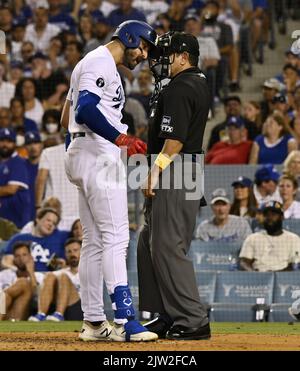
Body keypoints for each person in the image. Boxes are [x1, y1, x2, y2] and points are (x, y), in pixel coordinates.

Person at [63, 20, 158, 342]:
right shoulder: (100, 62)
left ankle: (93, 322)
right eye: (143, 46)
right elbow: (85, 109)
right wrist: (120, 138)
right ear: (129, 38)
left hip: (83, 150)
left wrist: (78, 151)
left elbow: (67, 116)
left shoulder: (89, 63)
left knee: (93, 241)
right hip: (97, 152)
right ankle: (126, 321)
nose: (144, 55)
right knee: (117, 237)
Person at [138, 31, 211, 341]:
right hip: (182, 170)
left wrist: (155, 170)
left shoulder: (182, 86)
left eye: (166, 54)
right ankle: (165, 314)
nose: (159, 60)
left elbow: (175, 142)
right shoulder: (190, 83)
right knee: (148, 242)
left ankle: (193, 320)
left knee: (168, 246)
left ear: (184, 56)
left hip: (177, 170)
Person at [28, 238, 82, 322]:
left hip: (80, 308)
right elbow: (41, 288)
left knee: (63, 276)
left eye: (75, 250)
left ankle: (59, 314)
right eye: (69, 251)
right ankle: (41, 314)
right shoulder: (61, 272)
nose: (72, 254)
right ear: (65, 254)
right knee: (50, 275)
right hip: (59, 306)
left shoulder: (90, 270)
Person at [1, 207, 69, 272]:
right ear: (38, 219)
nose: (50, 224)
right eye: (48, 220)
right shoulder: (19, 238)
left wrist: (63, 265)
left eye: (54, 223)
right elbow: (6, 262)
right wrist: (18, 272)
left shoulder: (59, 240)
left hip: (50, 276)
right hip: (23, 276)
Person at [239, 201, 300, 272]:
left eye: (273, 215)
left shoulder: (293, 239)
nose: (270, 218)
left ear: (282, 217)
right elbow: (244, 262)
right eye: (267, 215)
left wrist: (274, 275)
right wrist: (254, 274)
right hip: (258, 278)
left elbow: (294, 265)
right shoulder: (253, 238)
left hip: (283, 279)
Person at [35, 142, 79, 230]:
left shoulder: (48, 152)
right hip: (79, 216)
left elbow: (41, 180)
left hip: (53, 215)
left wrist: (38, 206)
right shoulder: (87, 152)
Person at [0, 128, 31, 229]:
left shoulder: (18, 162)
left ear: (14, 144)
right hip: (4, 218)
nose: (5, 144)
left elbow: (11, 189)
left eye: (9, 141)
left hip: (17, 220)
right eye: (2, 141)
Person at [0, 241, 38, 321]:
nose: (21, 259)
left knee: (23, 282)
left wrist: (31, 273)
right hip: (4, 311)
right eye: (17, 256)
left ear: (30, 257)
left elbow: (36, 298)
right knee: (4, 295)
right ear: (14, 259)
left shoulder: (38, 276)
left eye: (24, 255)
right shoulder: (4, 274)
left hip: (21, 314)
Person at [24, 131, 43, 221]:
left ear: (41, 145)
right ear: (25, 147)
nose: (33, 147)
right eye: (29, 143)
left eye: (35, 142)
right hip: (24, 212)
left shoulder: (46, 167)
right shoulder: (20, 166)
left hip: (43, 210)